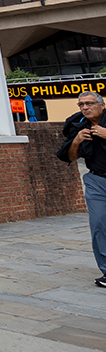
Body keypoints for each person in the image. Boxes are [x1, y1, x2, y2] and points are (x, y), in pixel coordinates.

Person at [58, 91, 106, 286]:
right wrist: (77, 140)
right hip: (96, 181)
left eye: (89, 103)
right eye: (81, 105)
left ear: (102, 105)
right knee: (99, 225)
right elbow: (69, 157)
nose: (85, 108)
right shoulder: (79, 126)